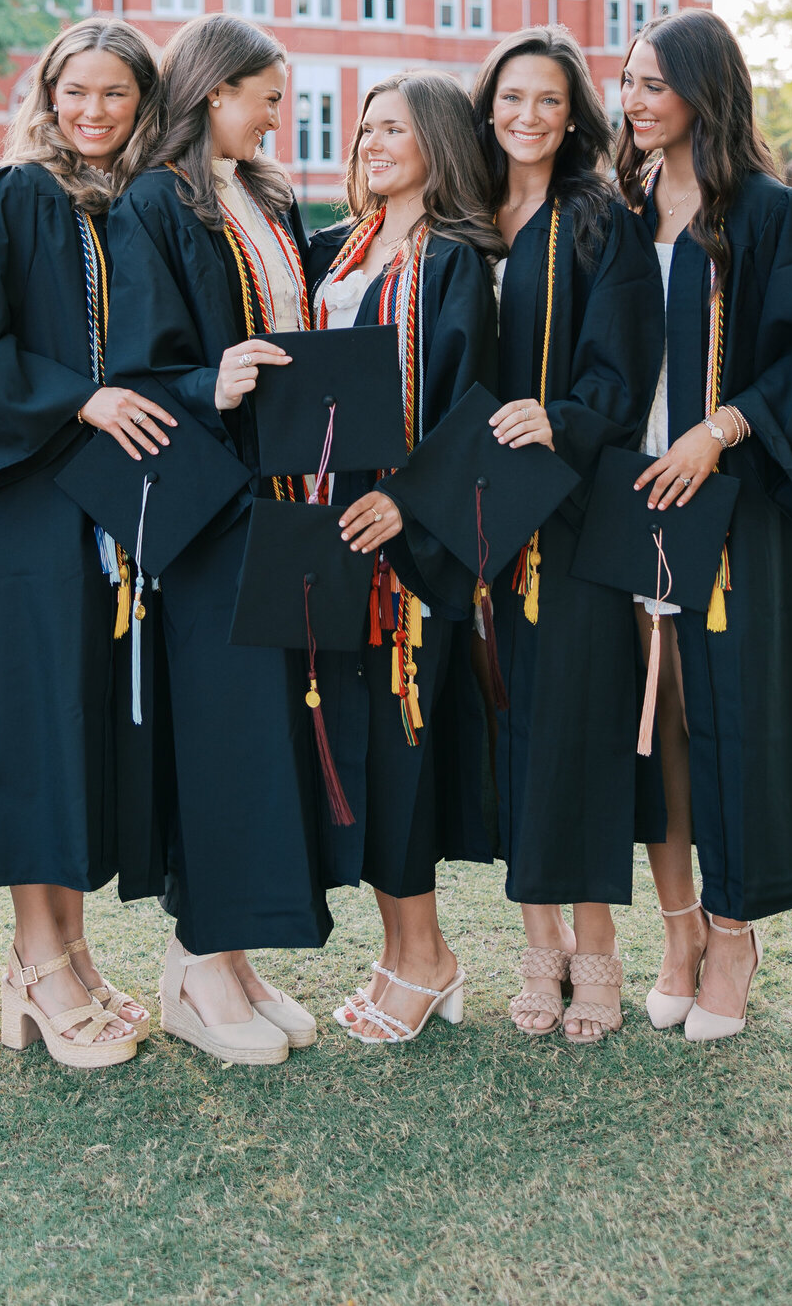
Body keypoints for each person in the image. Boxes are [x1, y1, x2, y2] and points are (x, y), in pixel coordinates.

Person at [0, 19, 173, 1071]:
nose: (92, 111)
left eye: (115, 93)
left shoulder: (139, 201)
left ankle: (68, 954)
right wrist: (81, 398)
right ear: (47, 93)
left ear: (144, 102)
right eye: (75, 90)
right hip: (39, 498)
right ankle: (35, 961)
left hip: (117, 502)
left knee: (86, 724)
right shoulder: (19, 195)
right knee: (40, 727)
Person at [618, 9, 792, 1041]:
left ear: (704, 91)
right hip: (632, 502)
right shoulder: (622, 213)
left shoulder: (774, 215)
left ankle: (732, 935)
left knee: (731, 717)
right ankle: (677, 935)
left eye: (654, 84)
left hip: (732, 507)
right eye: (627, 82)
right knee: (656, 723)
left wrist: (719, 429)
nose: (634, 101)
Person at [105, 14, 325, 1066]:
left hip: (283, 500)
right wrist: (211, 381)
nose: (278, 116)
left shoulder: (267, 198)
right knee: (219, 731)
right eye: (266, 98)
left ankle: (227, 957)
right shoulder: (155, 204)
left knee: (265, 729)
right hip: (207, 507)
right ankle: (196, 963)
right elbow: (136, 368)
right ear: (212, 92)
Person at [473, 29, 664, 1043]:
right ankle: (536, 940)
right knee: (507, 723)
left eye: (549, 99)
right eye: (512, 97)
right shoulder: (464, 216)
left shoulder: (600, 221)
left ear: (573, 113)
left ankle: (596, 946)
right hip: (475, 512)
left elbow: (622, 370)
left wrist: (559, 418)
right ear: (487, 105)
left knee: (580, 725)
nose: (529, 116)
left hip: (573, 510)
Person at [309, 70, 502, 1045]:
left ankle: (425, 955)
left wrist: (405, 499)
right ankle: (400, 951)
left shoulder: (455, 261)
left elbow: (473, 407)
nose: (372, 143)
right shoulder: (335, 250)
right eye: (365, 129)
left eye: (394, 127)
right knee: (359, 742)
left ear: (437, 141)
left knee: (402, 743)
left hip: (404, 544)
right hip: (328, 527)